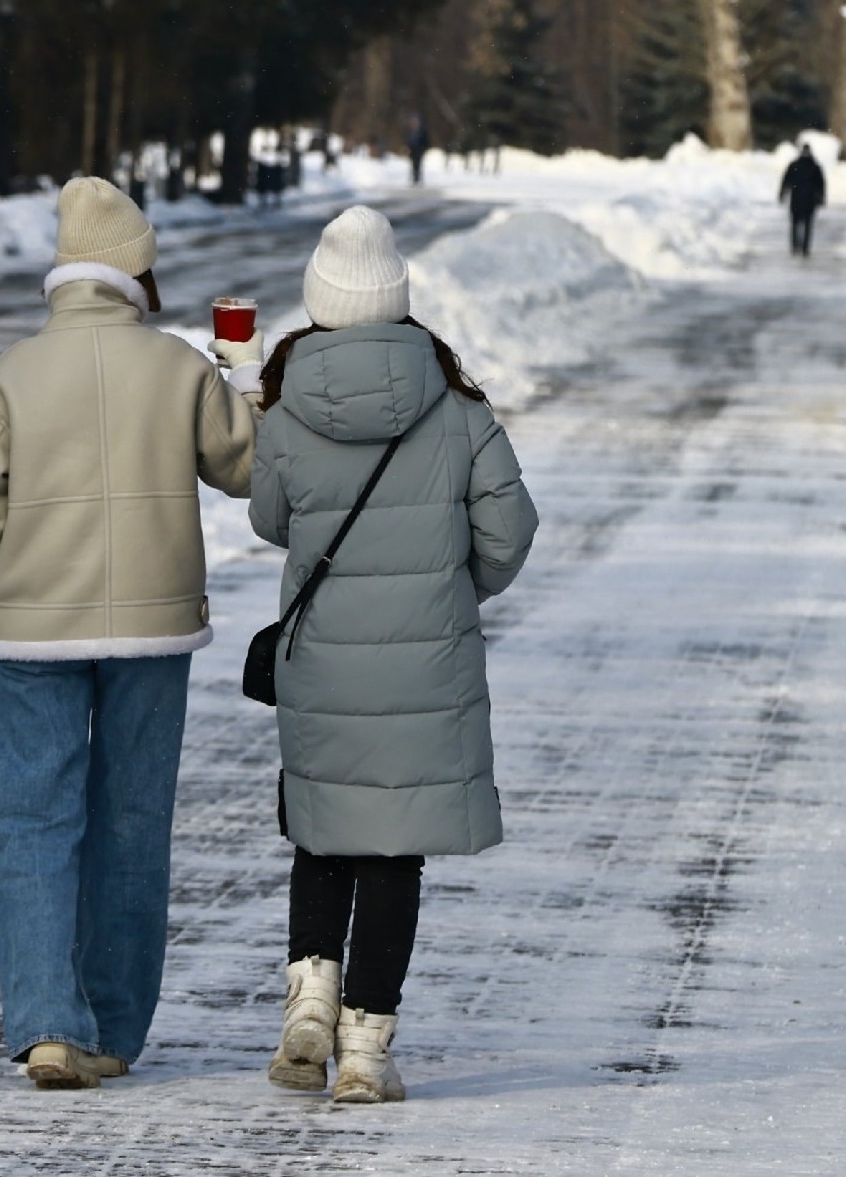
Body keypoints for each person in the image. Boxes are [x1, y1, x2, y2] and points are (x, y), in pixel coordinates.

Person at [0, 177, 265, 1091]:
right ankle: (110, 1025)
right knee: (132, 824)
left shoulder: (11, 376)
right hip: (154, 630)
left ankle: (46, 1024)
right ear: (135, 275)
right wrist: (244, 377)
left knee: (33, 821)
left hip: (32, 631)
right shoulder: (179, 367)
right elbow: (252, 469)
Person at [247, 206, 538, 1105]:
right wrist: (451, 589)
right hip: (425, 665)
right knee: (393, 854)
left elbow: (268, 520)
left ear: (322, 303)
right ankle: (366, 1049)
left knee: (323, 833)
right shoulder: (456, 406)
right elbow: (511, 527)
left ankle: (308, 1000)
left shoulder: (290, 404)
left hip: (323, 659)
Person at [778, 145, 827, 257]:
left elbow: (786, 180)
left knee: (795, 224)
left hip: (796, 200)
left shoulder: (795, 165)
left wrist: (782, 193)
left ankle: (795, 246)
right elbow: (821, 185)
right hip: (810, 201)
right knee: (808, 225)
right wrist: (821, 197)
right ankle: (805, 248)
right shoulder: (815, 166)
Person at [404, 113, 431, 186]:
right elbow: (407, 141)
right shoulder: (410, 131)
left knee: (418, 164)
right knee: (413, 164)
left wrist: (424, 148)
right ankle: (414, 178)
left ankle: (418, 178)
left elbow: (425, 141)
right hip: (412, 150)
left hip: (419, 149)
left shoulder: (421, 131)